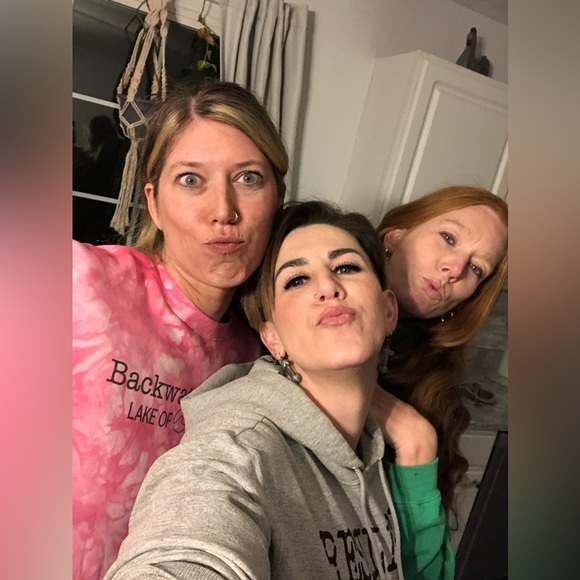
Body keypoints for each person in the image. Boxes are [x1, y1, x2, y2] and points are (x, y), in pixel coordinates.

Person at [105, 200, 411, 579]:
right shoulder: (240, 449)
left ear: (389, 311)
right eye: (297, 280)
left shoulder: (375, 452)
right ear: (272, 338)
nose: (328, 287)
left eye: (346, 267)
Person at [73, 80, 288, 580]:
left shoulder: (260, 357)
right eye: (191, 179)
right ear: (154, 203)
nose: (224, 211)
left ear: (277, 197)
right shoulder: (79, 282)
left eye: (249, 178)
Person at [372, 185, 508, 579]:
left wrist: (415, 437)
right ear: (395, 236)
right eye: (448, 237)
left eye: (476, 269)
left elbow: (428, 568)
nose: (455, 269)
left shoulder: (435, 390)